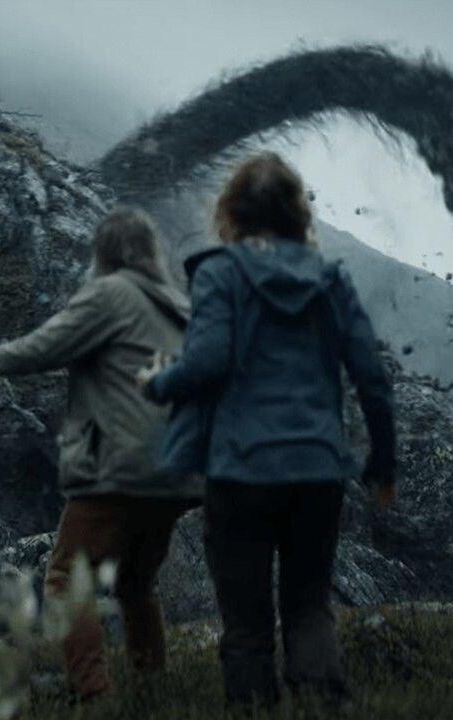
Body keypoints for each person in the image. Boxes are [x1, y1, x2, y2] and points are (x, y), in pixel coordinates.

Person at [138, 152, 397, 707]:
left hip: (241, 470)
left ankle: (254, 705)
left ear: (230, 212)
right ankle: (324, 702)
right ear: (297, 214)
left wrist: (159, 383)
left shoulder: (219, 273)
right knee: (308, 608)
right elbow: (371, 377)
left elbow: (207, 360)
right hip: (316, 469)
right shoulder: (330, 279)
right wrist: (383, 456)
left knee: (246, 620)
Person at [0, 206, 199, 699]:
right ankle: (151, 690)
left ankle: (93, 694)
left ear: (104, 252)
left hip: (118, 465)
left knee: (66, 579)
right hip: (175, 472)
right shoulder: (179, 307)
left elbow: (45, 347)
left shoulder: (110, 293)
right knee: (136, 584)